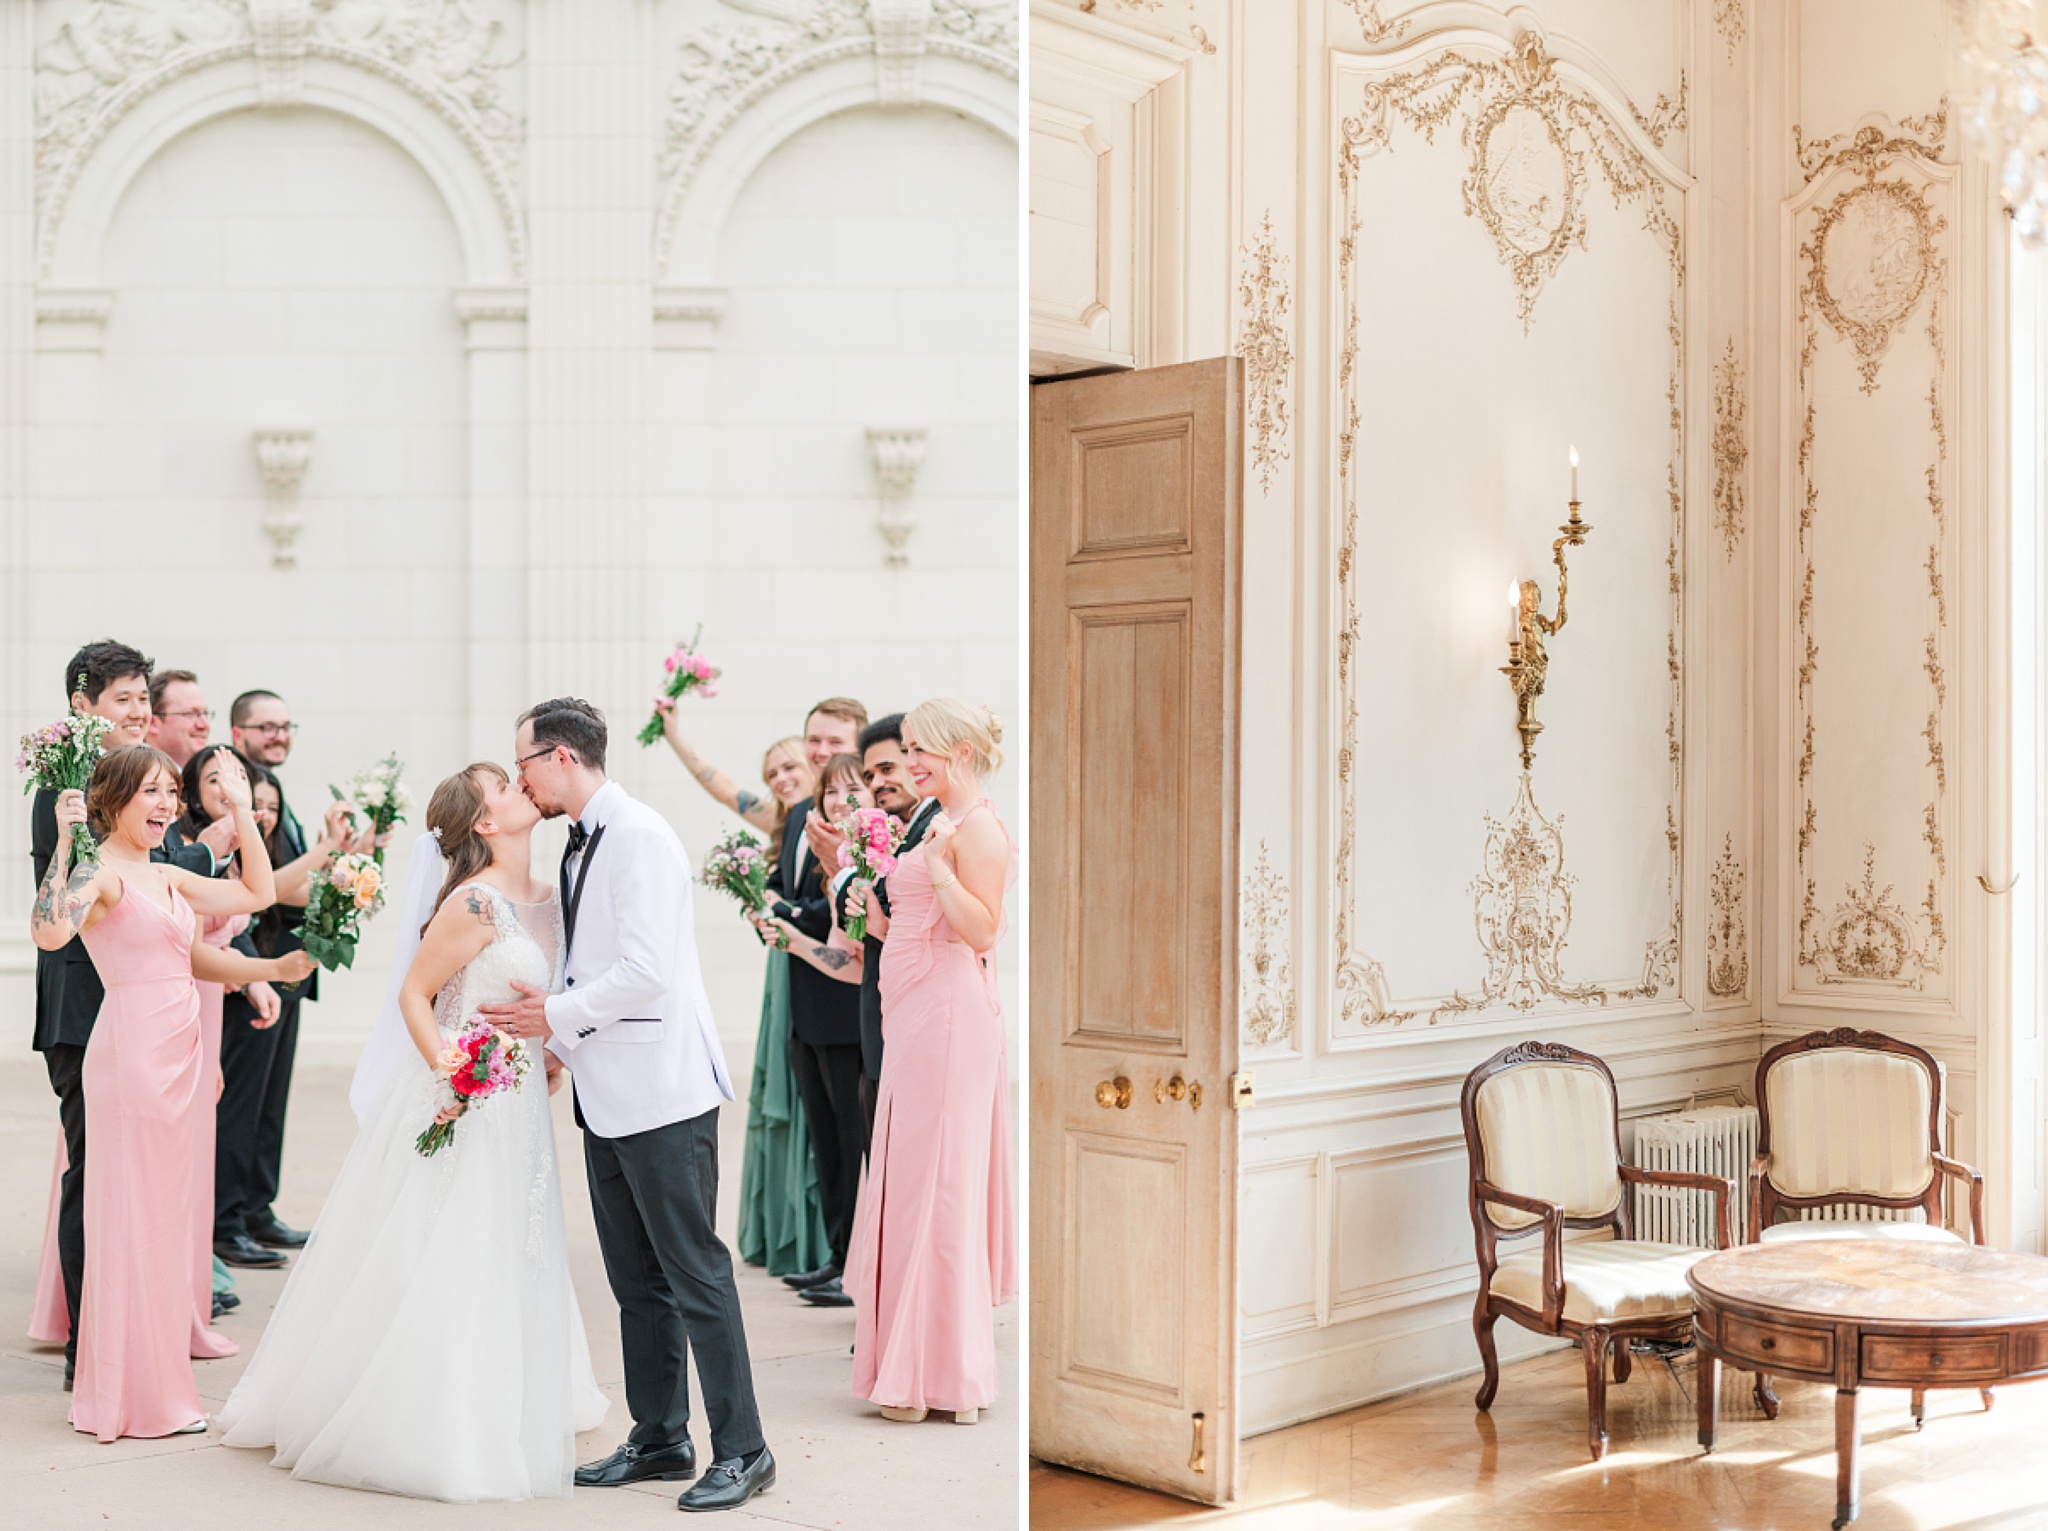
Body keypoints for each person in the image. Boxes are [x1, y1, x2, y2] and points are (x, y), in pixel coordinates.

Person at [219, 763, 608, 1500]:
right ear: (485, 822)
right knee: (455, 1237)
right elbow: (414, 993)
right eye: (503, 786)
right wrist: (451, 1074)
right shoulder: (474, 901)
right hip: (465, 1094)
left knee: (515, 1232)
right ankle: (438, 1413)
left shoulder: (551, 894)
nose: (520, 787)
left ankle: (514, 1386)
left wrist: (550, 1053)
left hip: (522, 1096)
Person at [481, 698, 775, 1512]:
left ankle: (745, 1448)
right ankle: (660, 1435)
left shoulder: (639, 835)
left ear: (562, 756)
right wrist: (562, 1046)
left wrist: (553, 1017)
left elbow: (647, 968)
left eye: (523, 763)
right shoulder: (582, 838)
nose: (520, 781)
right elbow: (590, 961)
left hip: (663, 1092)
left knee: (695, 1274)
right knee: (636, 1281)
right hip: (605, 1090)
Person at [29, 746, 313, 1440]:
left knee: (163, 1223)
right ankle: (126, 1396)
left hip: (179, 1054)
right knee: (130, 1218)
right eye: (150, 792)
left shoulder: (164, 874)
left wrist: (241, 805)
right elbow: (49, 930)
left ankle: (157, 1386)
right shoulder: (100, 873)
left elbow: (256, 894)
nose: (166, 804)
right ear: (113, 799)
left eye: (170, 793)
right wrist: (65, 844)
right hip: (130, 1056)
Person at [29, 641, 217, 1390]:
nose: (141, 711)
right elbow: (75, 902)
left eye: (144, 697)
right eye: (126, 699)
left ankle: (139, 1335)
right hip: (86, 1009)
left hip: (143, 1012)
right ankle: (91, 1347)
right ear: (84, 705)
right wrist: (200, 854)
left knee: (142, 1184)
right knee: (94, 1181)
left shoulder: (136, 781)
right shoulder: (66, 789)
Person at [846, 699, 1017, 1426]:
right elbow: (924, 924)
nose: (910, 761)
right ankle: (911, 1362)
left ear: (962, 751)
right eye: (908, 748)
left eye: (921, 749)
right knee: (913, 1181)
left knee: (940, 1185)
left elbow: (982, 930)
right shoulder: (942, 820)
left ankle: (941, 1376)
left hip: (949, 1015)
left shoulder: (976, 827)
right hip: (915, 1011)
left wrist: (940, 868)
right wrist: (880, 919)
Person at [166, 745, 284, 1327]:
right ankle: (189, 1264)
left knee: (204, 1135)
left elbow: (239, 921)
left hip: (216, 993)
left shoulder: (237, 846)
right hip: (185, 993)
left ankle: (199, 1257)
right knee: (185, 1138)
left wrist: (253, 978)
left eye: (236, 776)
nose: (227, 786)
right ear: (191, 793)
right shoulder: (183, 848)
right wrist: (259, 971)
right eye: (214, 778)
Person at [213, 764, 350, 1267]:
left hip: (284, 981)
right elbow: (272, 889)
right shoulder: (226, 840)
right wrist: (329, 851)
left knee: (269, 1107)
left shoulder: (279, 825)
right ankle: (226, 1222)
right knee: (240, 1108)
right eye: (259, 805)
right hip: (246, 977)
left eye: (272, 806)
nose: (266, 814)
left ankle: (255, 1209)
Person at [765, 754, 875, 1309]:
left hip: (850, 1017)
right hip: (806, 1011)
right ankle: (837, 1255)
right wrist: (769, 904)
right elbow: (781, 888)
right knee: (827, 1147)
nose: (839, 800)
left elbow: (829, 930)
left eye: (852, 789)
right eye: (831, 791)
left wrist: (787, 921)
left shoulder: (870, 853)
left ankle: (856, 1265)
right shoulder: (806, 829)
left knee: (856, 1148)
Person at [837, 714, 942, 1144]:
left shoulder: (939, 828)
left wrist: (874, 917)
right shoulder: (896, 832)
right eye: (869, 776)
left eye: (886, 769)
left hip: (920, 1027)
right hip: (881, 1025)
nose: (877, 783)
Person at [146, 670, 213, 768]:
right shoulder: (134, 775)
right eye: (190, 714)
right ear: (153, 723)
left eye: (205, 713)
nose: (204, 725)